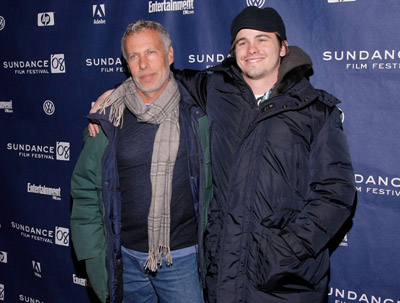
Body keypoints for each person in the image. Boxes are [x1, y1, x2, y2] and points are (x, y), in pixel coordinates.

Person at [89, 6, 356, 303]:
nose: (251, 49)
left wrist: (287, 249)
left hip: (286, 278)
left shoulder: (315, 110)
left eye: (262, 39)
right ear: (234, 51)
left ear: (283, 47)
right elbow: (156, 77)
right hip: (225, 268)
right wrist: (115, 93)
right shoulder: (216, 88)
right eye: (242, 42)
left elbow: (336, 193)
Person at [70, 20, 212, 303]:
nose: (143, 64)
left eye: (151, 52)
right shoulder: (109, 117)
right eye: (134, 56)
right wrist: (92, 256)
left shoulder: (200, 112)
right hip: (125, 260)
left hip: (183, 259)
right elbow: (85, 190)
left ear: (169, 55)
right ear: (126, 63)